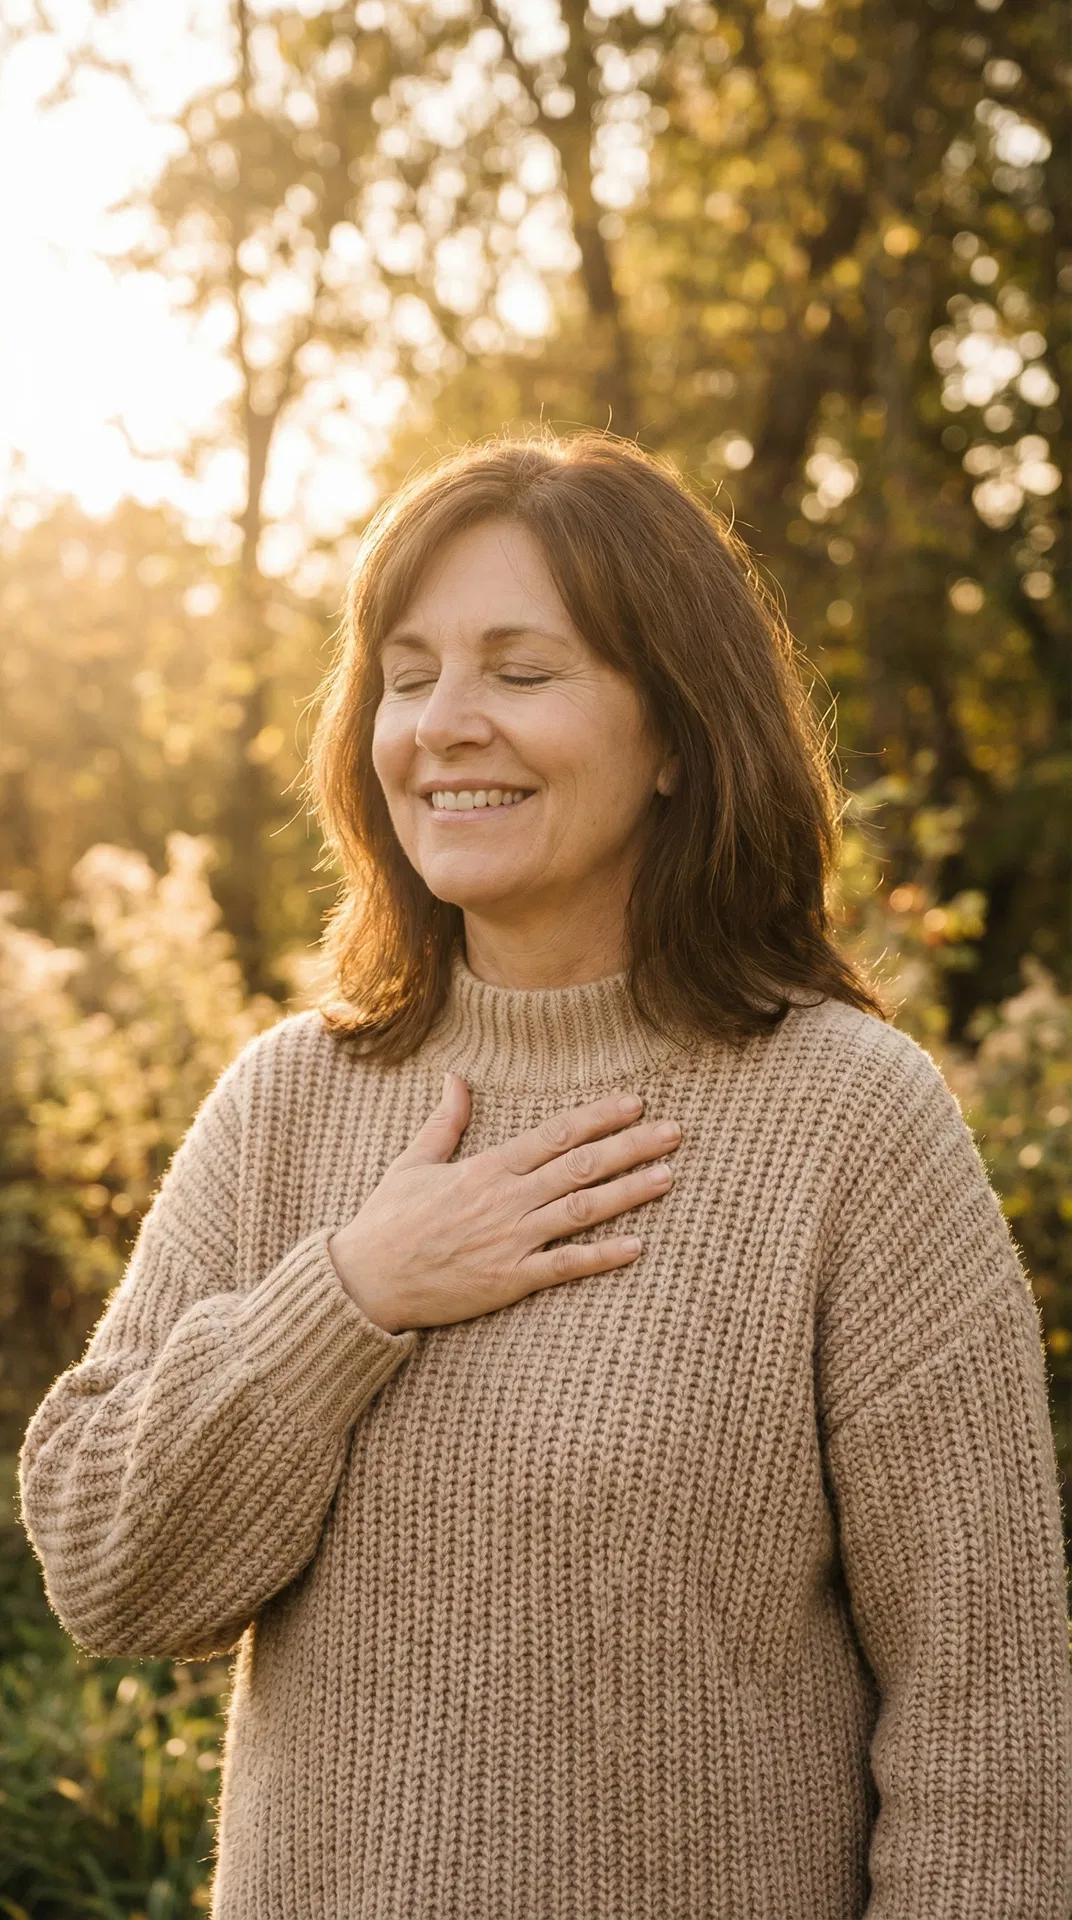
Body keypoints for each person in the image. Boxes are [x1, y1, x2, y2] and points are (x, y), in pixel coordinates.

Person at [19, 435, 1070, 1919]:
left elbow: (989, 1718)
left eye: (523, 673)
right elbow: (112, 1576)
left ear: (676, 739)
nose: (447, 724)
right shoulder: (286, 1105)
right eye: (407, 672)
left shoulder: (849, 1121)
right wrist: (352, 1292)